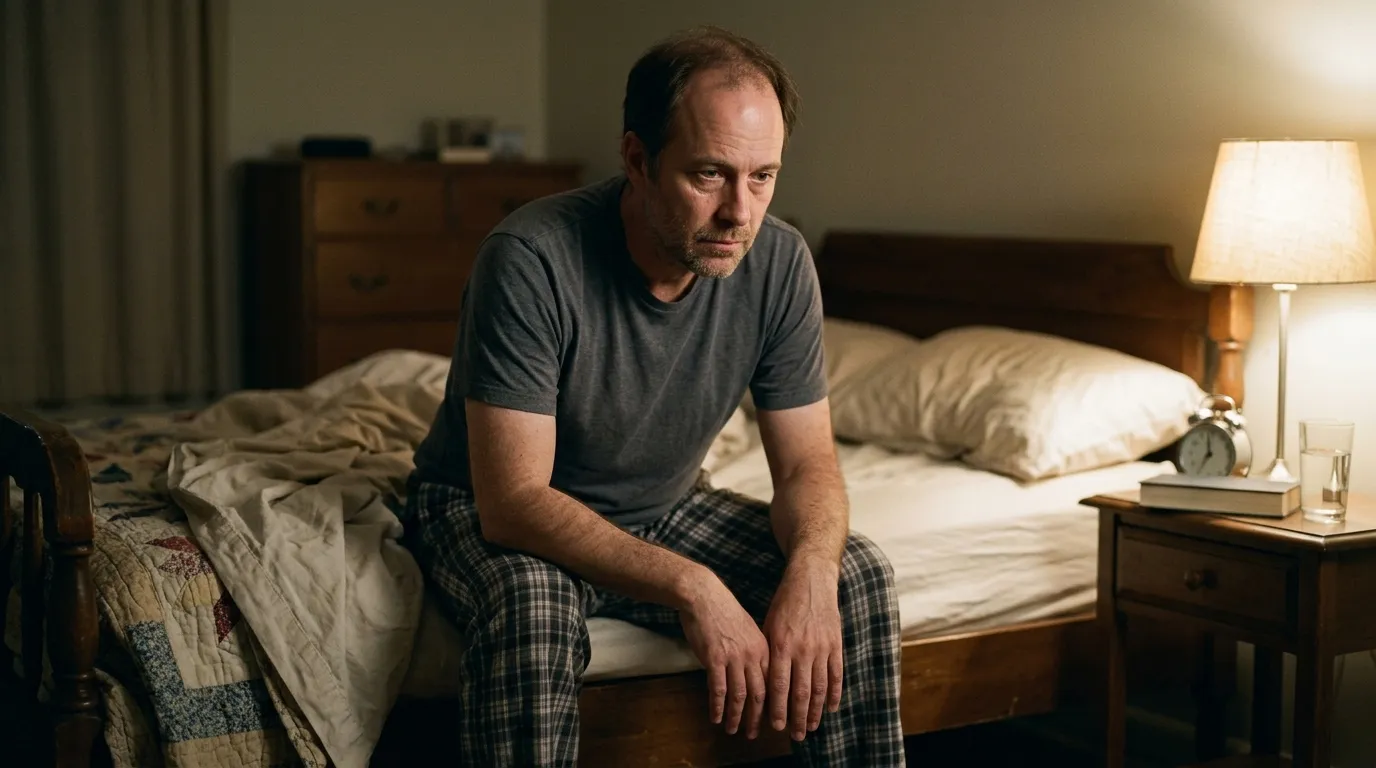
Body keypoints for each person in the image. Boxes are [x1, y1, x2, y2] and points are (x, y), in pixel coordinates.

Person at [404, 25, 905, 766]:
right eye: (709, 175)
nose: (740, 212)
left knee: (852, 573)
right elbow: (514, 501)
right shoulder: (532, 257)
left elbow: (806, 465)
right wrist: (693, 587)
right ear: (638, 161)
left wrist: (810, 573)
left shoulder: (780, 262)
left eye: (763, 176)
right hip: (489, 509)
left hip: (661, 506)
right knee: (533, 610)